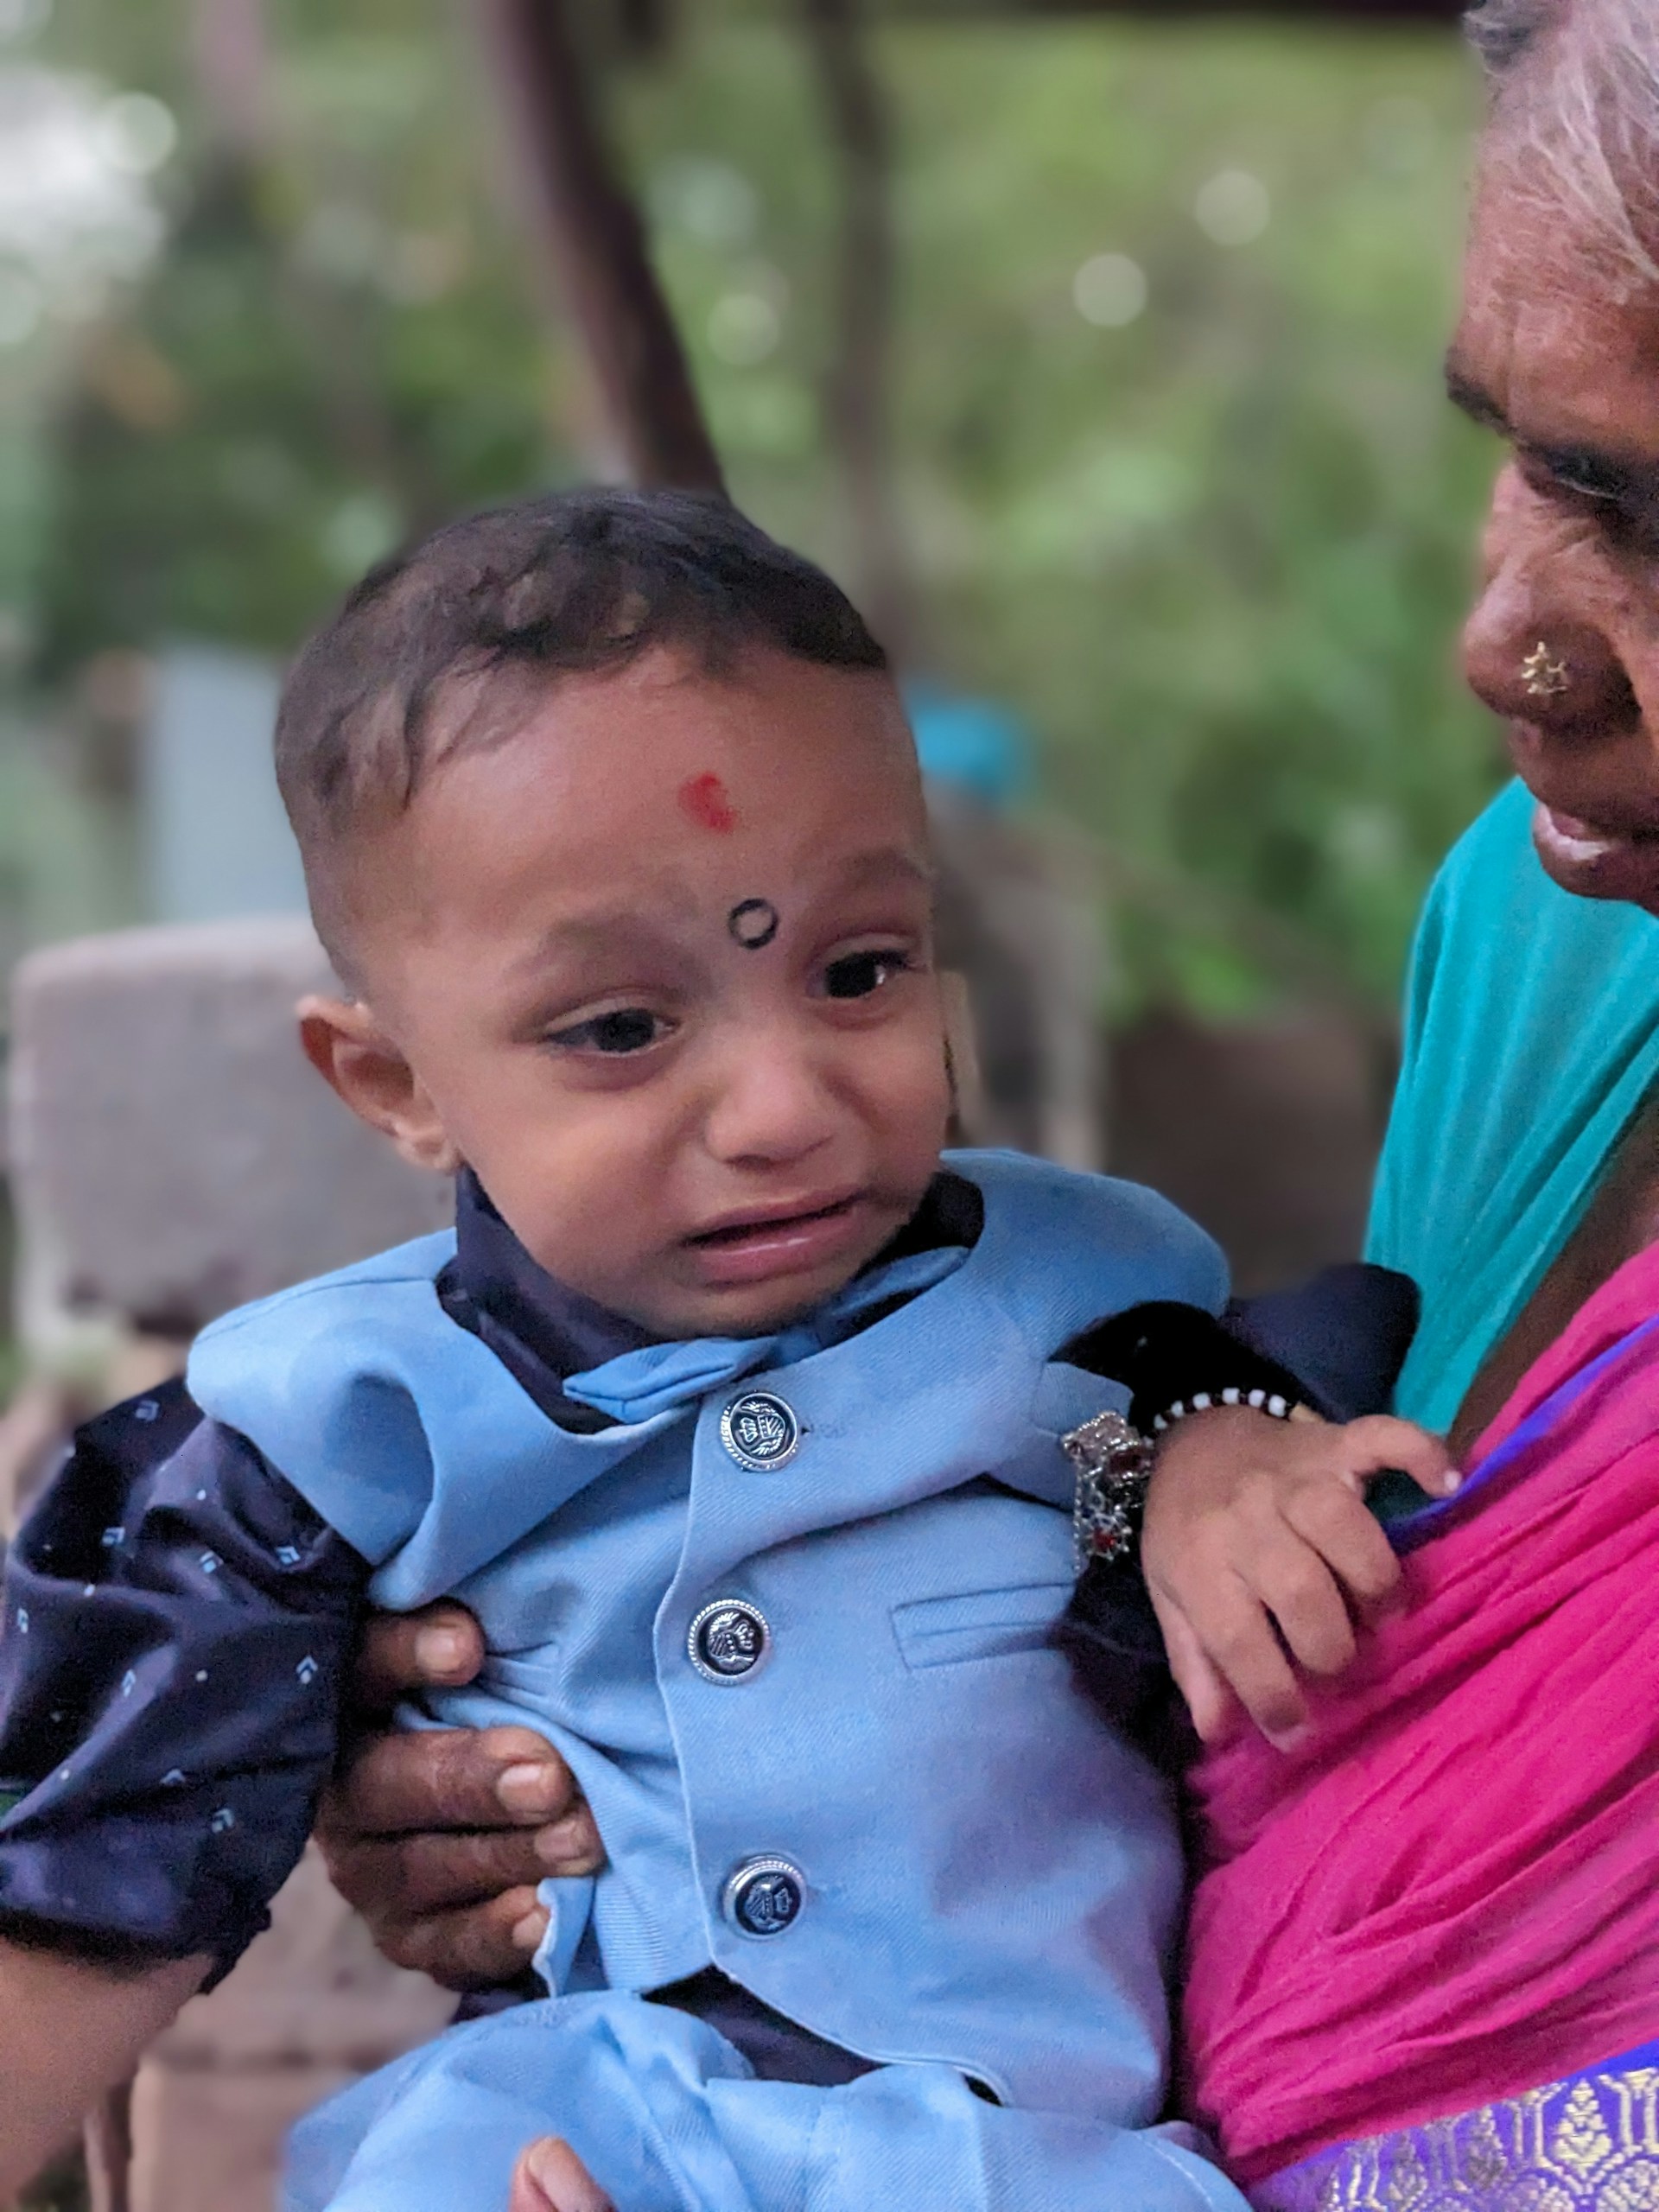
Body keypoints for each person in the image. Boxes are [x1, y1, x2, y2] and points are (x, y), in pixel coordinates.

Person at [0, 486, 1445, 2210]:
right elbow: (98, 1856)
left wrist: (1221, 1446)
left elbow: (1253, 1395)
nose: (783, 1108)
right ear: (396, 1085)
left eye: (857, 971)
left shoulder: (1093, 1296)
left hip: (1046, 2161)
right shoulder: (321, 1430)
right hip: (581, 2131)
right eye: (621, 1025)